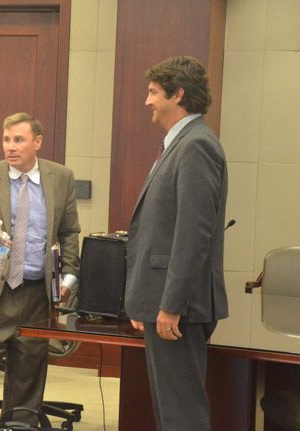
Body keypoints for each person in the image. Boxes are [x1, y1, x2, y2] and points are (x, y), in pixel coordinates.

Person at [0, 112, 80, 430]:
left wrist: (68, 279)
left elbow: (68, 233)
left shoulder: (61, 177)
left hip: (36, 297)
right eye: (6, 140)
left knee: (27, 390)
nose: (10, 147)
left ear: (37, 142)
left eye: (19, 140)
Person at [124, 56, 229, 431]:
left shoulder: (196, 145)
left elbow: (192, 232)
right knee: (171, 410)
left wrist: (170, 303)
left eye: (153, 93)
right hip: (163, 299)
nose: (147, 101)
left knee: (182, 413)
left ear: (178, 94)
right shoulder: (180, 143)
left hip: (178, 306)